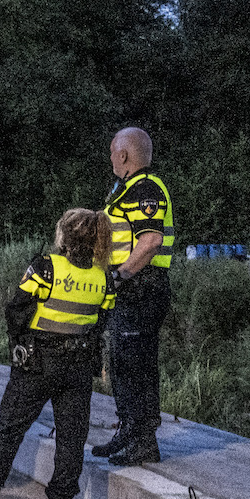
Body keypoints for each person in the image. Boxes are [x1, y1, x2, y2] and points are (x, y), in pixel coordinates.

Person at [0, 209, 115, 499]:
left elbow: (17, 309)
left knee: (7, 432)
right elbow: (100, 324)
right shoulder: (104, 278)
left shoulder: (46, 267)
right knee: (71, 439)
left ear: (64, 235)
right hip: (78, 366)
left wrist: (22, 345)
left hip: (37, 362)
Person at [94, 127, 176, 468]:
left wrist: (120, 274)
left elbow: (151, 240)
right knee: (122, 363)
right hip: (131, 289)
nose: (111, 158)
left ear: (124, 155)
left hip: (142, 286)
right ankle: (129, 430)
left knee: (137, 364)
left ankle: (144, 440)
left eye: (113, 152)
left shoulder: (145, 188)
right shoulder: (124, 189)